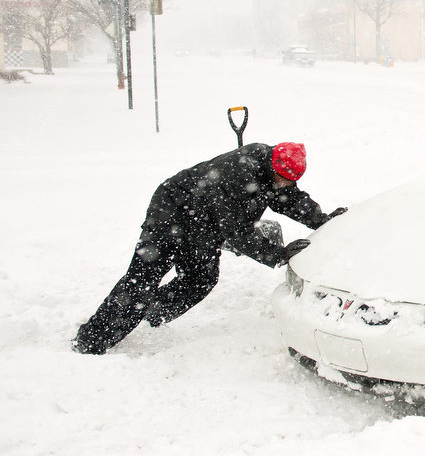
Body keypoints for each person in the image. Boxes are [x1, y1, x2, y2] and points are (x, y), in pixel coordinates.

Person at [72, 142, 346, 355]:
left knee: (200, 279)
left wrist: (321, 220)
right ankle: (91, 339)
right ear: (273, 166)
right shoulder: (237, 174)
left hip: (203, 222)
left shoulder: (272, 171)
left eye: (290, 179)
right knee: (143, 278)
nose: (285, 183)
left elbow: (288, 198)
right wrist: (277, 254)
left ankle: (150, 314)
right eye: (283, 178)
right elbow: (237, 232)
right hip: (173, 212)